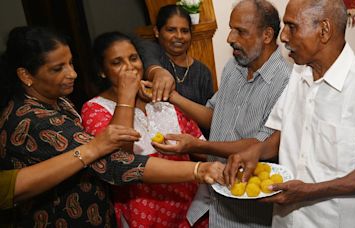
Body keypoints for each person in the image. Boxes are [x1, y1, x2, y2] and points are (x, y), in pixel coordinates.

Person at [0, 26, 224, 227]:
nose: (72, 74)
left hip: (187, 205)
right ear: (26, 75)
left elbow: (200, 139)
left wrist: (159, 76)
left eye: (70, 63)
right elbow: (116, 163)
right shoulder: (36, 119)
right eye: (58, 68)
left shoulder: (59, 102)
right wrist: (197, 171)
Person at [224, 0, 355, 228]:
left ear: (324, 30)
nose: (283, 36)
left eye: (292, 26)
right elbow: (283, 133)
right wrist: (256, 151)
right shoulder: (298, 75)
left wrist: (310, 191)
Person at [152, 0, 292, 227]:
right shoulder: (234, 67)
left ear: (267, 35)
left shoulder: (286, 81)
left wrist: (197, 146)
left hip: (249, 212)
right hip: (216, 199)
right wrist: (172, 96)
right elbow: (213, 115)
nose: (230, 39)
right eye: (230, 29)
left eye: (240, 31)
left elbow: (259, 146)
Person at [81, 31, 210, 227]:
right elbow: (120, 162)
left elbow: (202, 150)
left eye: (133, 58)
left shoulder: (160, 98)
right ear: (102, 71)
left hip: (192, 210)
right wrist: (126, 97)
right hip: (144, 216)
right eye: (117, 62)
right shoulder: (95, 109)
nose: (129, 67)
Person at [148, 4, 214, 138]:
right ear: (157, 31)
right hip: (159, 144)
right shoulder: (153, 63)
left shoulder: (202, 72)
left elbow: (211, 120)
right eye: (171, 30)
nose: (179, 36)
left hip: (197, 146)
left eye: (185, 31)